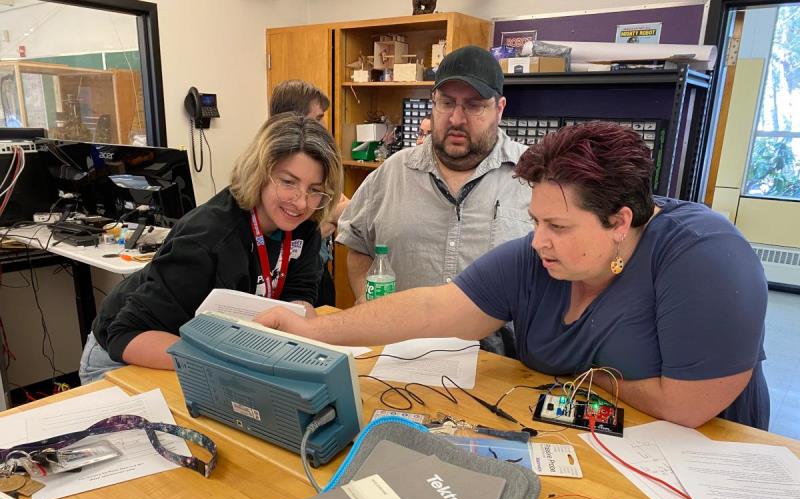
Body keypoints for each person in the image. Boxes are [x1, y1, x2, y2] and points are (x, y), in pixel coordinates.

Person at [256, 121, 770, 430]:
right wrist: (314, 329)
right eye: (535, 221)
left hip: (705, 468)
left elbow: (685, 406)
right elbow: (435, 308)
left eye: (558, 227)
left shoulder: (706, 258)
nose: (538, 240)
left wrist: (587, 377)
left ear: (619, 222)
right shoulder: (539, 257)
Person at [78, 113, 343, 384]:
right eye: (288, 182)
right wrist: (222, 361)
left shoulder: (303, 228)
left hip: (206, 354)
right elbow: (125, 335)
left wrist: (301, 319)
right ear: (261, 173)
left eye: (315, 190)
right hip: (126, 357)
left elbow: (299, 295)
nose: (301, 202)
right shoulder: (208, 237)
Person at [336, 45, 531, 301]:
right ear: (433, 102)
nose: (456, 119)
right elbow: (358, 243)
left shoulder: (534, 176)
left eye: (474, 105)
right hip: (402, 328)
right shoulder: (393, 173)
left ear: (500, 109)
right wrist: (367, 303)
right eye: (447, 103)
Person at [270, 79, 350, 307]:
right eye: (318, 119)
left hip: (315, 271)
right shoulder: (271, 163)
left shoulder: (319, 162)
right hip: (281, 278)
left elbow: (344, 209)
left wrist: (329, 217)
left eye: (314, 190)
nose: (324, 128)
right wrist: (327, 218)